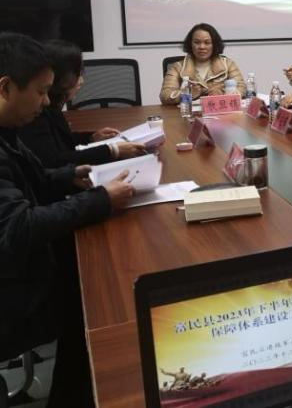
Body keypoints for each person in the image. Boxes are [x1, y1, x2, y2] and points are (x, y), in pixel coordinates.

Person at [0, 33, 136, 407]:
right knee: (96, 296)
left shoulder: (8, 130)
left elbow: (32, 176)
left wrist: (67, 176)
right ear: (6, 87)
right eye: (41, 92)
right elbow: (17, 227)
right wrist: (100, 199)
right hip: (14, 289)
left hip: (22, 264)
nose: (47, 102)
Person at [19, 40, 146, 168]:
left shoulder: (52, 105)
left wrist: (91, 138)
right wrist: (112, 150)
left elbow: (61, 141)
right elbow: (56, 161)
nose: (81, 80)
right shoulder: (35, 112)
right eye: (77, 74)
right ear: (61, 78)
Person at [160, 23, 245, 104]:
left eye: (207, 43)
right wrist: (188, 93)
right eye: (197, 42)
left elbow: (241, 88)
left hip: (218, 111)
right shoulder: (177, 67)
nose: (202, 47)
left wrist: (223, 93)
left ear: (214, 44)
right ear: (190, 44)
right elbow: (165, 96)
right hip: (188, 112)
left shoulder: (227, 64)